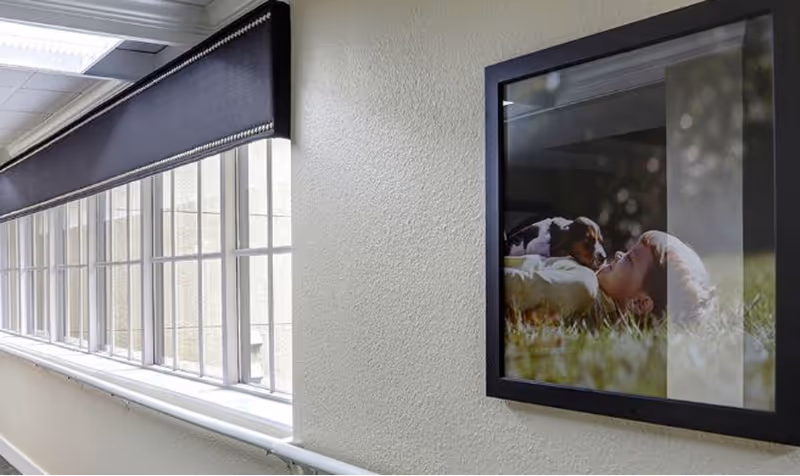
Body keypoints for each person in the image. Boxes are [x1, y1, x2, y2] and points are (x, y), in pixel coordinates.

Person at [505, 230, 714, 325]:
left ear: (640, 303)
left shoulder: (585, 284)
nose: (618, 254)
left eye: (630, 260)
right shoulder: (587, 276)